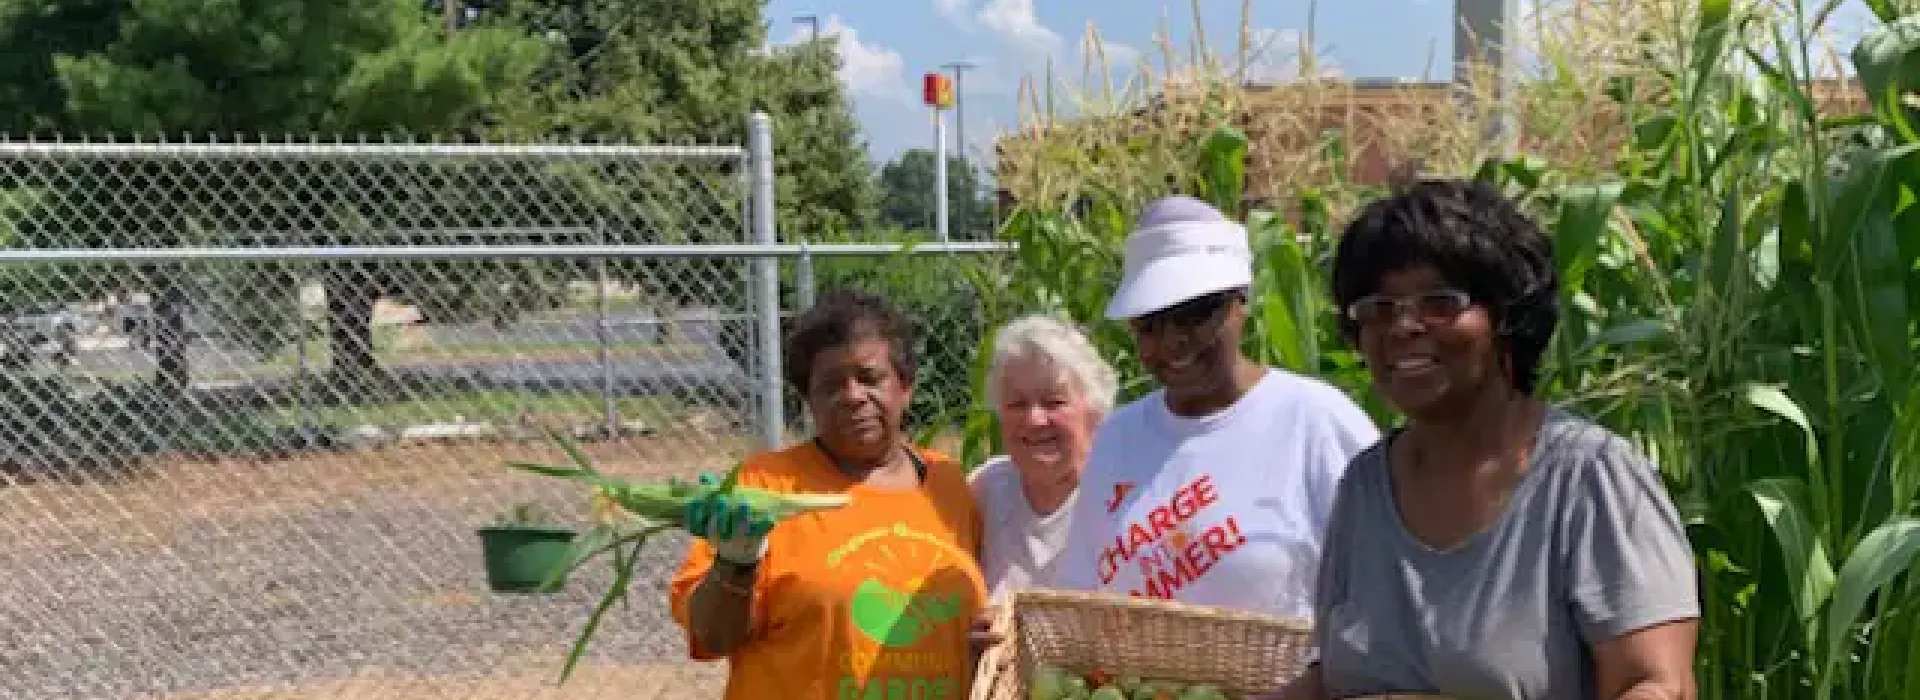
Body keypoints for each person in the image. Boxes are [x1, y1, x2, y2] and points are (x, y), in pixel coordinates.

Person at [1272, 179, 1699, 700]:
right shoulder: (1363, 487)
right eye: (1379, 309)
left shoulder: (1590, 479)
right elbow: (1335, 680)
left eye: (1440, 302)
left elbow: (1655, 685)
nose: (1404, 326)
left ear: (1506, 318)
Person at [1042, 195, 1381, 622]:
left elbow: (1380, 588)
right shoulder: (1118, 438)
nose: (1173, 341)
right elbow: (1082, 592)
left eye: (1195, 313)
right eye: (1149, 325)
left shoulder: (1318, 424)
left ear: (1241, 304)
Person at [667, 289, 989, 700]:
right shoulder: (765, 486)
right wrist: (737, 559)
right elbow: (711, 636)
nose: (854, 396)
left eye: (870, 378)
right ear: (809, 399)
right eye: (832, 385)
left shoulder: (948, 485)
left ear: (906, 388)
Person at [968, 314, 1118, 601]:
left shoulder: (1120, 495)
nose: (1035, 419)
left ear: (1094, 411)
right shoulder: (985, 490)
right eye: (1017, 404)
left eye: (1054, 403)